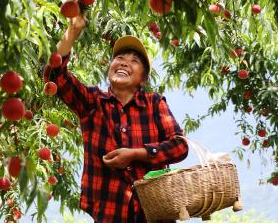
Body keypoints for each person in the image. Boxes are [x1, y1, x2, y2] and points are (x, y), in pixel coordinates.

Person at [43, 12, 189, 223]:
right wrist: (72, 31)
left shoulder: (154, 104)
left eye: (134, 61)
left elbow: (180, 146)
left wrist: (136, 154)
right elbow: (54, 77)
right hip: (110, 213)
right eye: (119, 58)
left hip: (154, 214)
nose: (124, 63)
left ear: (142, 79)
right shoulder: (93, 102)